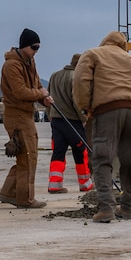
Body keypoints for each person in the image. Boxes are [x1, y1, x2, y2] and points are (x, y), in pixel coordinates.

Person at [74, 31, 131, 224]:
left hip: (106, 110)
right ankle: (128, 207)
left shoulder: (93, 54)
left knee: (102, 159)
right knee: (128, 159)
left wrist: (85, 107)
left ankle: (106, 208)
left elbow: (81, 81)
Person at [0, 29, 54, 209]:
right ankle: (25, 198)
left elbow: (36, 84)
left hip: (26, 114)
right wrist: (40, 93)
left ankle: (8, 192)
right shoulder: (11, 66)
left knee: (25, 156)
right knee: (28, 157)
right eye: (34, 47)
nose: (36, 51)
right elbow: (20, 91)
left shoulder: (30, 61)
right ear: (24, 46)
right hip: (17, 116)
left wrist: (43, 97)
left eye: (38, 48)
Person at [45, 53, 93, 195]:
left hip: (57, 122)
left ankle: (54, 184)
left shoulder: (54, 76)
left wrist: (51, 116)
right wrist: (84, 119)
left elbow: (48, 98)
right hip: (73, 121)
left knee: (58, 152)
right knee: (80, 152)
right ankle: (85, 183)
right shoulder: (75, 78)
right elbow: (76, 101)